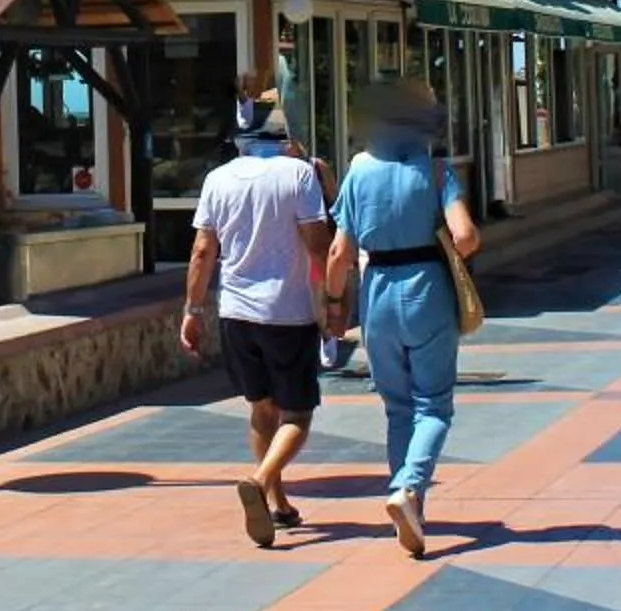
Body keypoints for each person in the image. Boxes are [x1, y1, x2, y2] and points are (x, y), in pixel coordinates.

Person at [323, 83, 481, 559]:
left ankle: (407, 502)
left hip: (377, 294)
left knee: (396, 408)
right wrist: (442, 248)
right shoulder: (435, 171)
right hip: (428, 288)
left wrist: (333, 304)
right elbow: (467, 236)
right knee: (433, 406)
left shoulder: (357, 171)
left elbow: (339, 252)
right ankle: (410, 490)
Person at [183, 103, 332, 548]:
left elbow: (201, 250)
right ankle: (261, 478)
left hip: (235, 313)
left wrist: (192, 310)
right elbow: (318, 246)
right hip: (287, 312)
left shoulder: (217, 179)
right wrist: (333, 304)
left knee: (261, 407)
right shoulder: (297, 176)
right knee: (298, 414)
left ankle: (278, 503)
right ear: (284, 138)